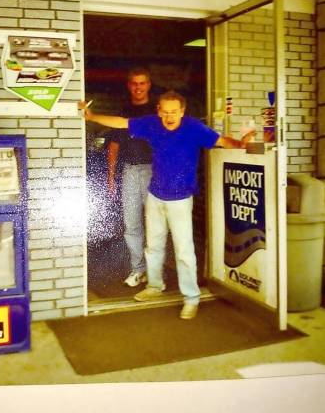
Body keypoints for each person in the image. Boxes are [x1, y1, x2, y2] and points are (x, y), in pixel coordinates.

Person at [80, 90, 254, 320]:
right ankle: (154, 286)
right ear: (158, 110)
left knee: (183, 251)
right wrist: (91, 117)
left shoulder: (194, 128)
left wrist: (243, 145)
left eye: (174, 112)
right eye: (165, 112)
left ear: (182, 111)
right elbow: (122, 123)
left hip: (181, 200)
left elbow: (222, 141)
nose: (169, 117)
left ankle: (191, 298)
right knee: (153, 246)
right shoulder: (151, 124)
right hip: (155, 195)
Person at [107, 67, 155, 287]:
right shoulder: (124, 111)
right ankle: (138, 270)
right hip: (128, 172)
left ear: (148, 85)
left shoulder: (157, 111)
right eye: (134, 83)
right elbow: (114, 146)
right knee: (132, 226)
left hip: (153, 171)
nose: (138, 87)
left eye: (142, 83)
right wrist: (110, 177)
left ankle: (155, 273)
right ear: (129, 86)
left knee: (155, 225)